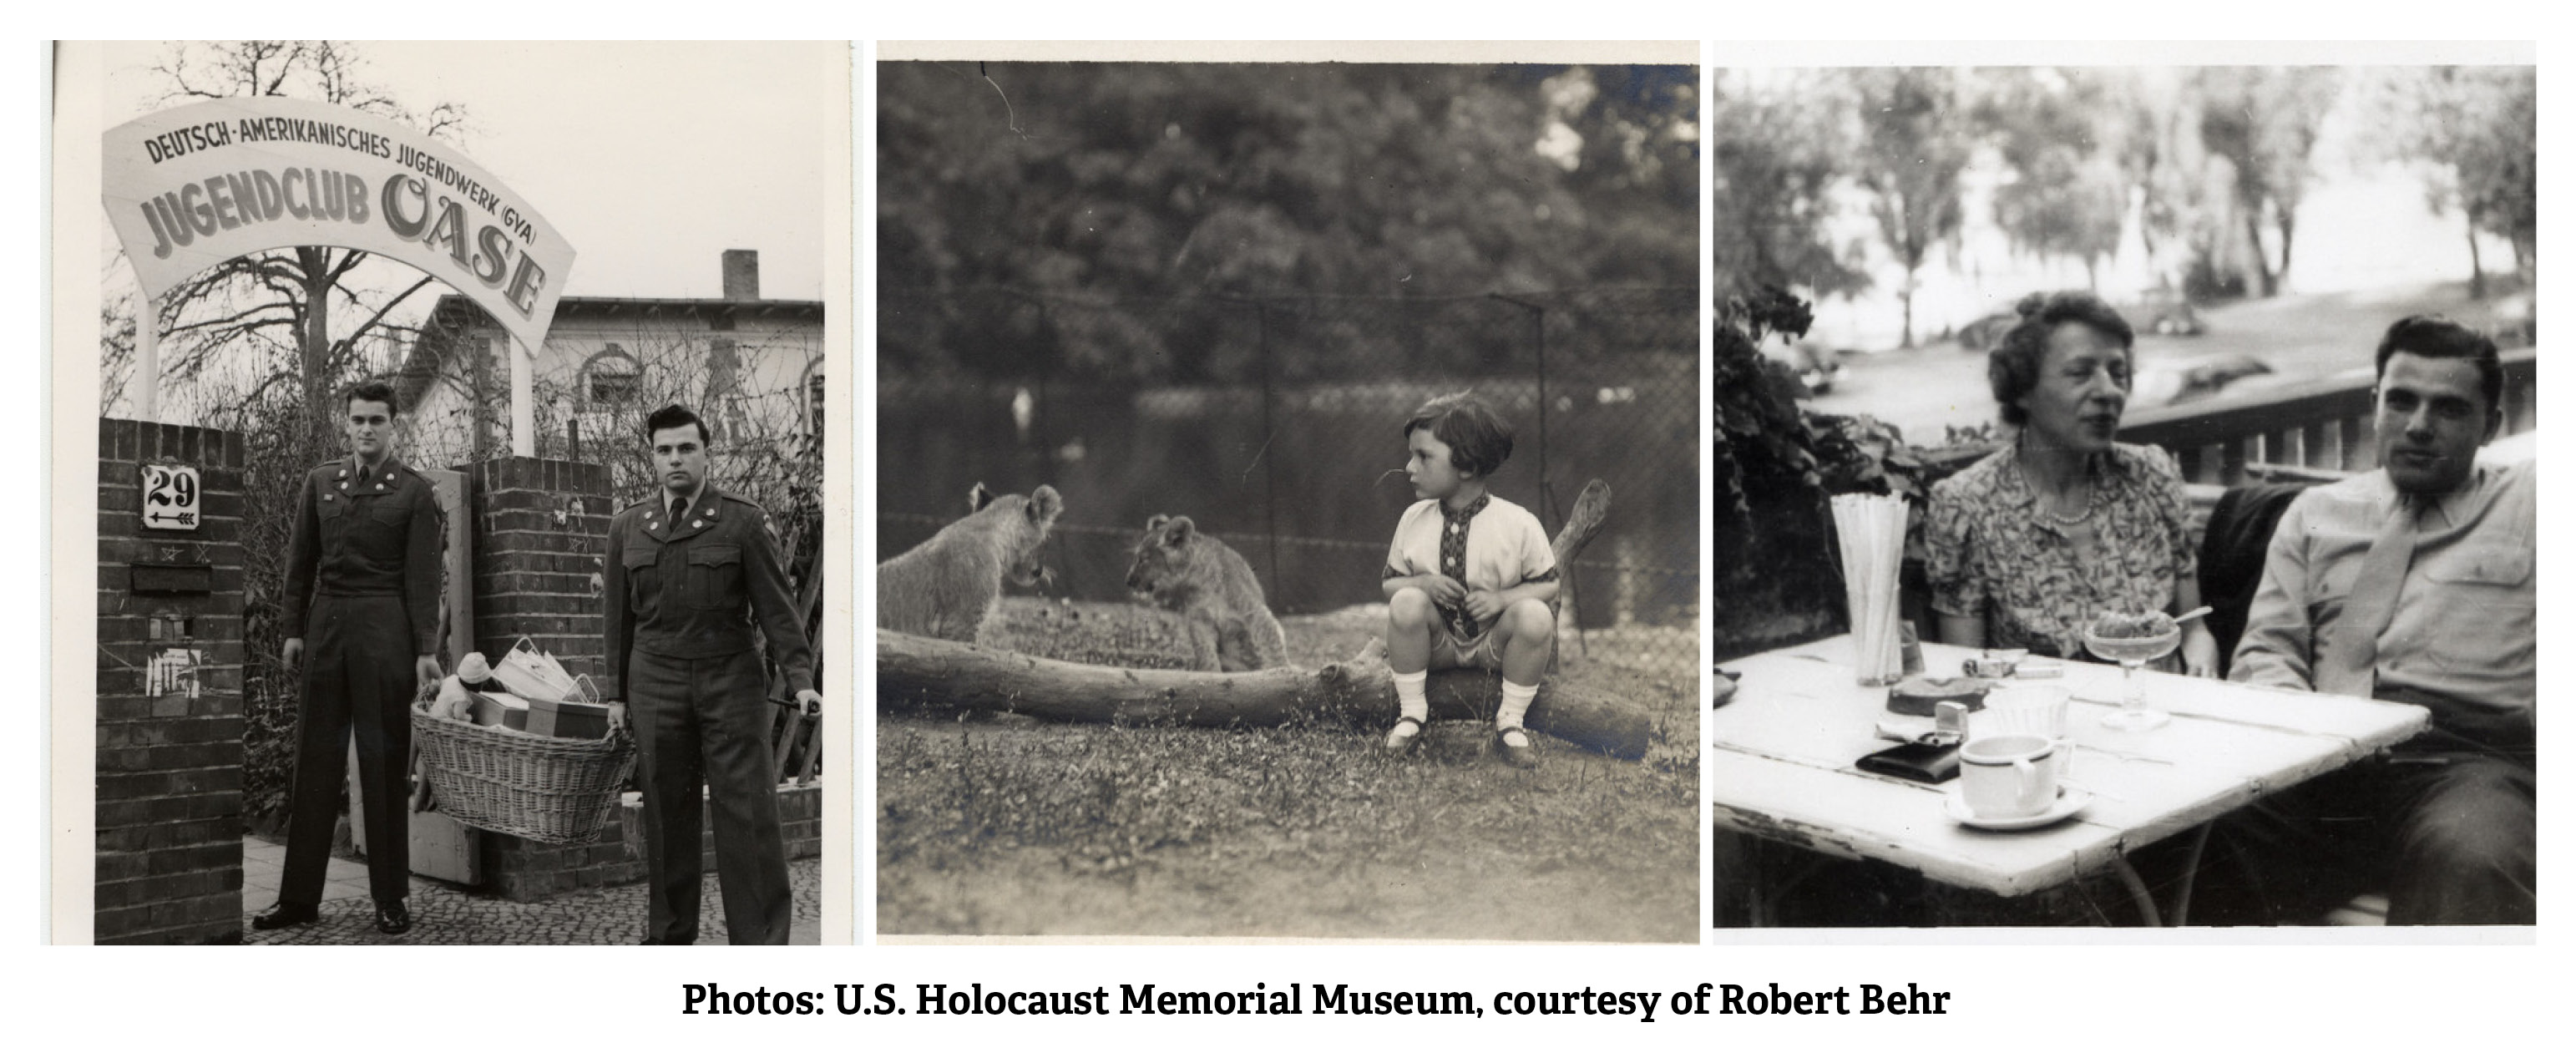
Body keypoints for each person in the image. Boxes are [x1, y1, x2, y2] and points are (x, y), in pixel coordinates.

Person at [2228, 315, 2533, 925]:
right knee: (2203, 833)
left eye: (2448, 409)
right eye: (2400, 401)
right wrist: (2302, 738)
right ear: (2374, 404)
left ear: (2490, 426)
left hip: (2466, 768)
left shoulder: (2533, 503)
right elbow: (2266, 650)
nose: (2418, 426)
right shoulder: (2315, 513)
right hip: (2319, 764)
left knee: (2472, 854)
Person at [604, 404, 823, 944]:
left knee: (746, 816)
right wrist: (615, 696)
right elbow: (617, 621)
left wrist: (801, 678)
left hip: (730, 682)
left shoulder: (742, 521)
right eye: (664, 450)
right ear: (651, 456)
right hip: (655, 684)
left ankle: (760, 946)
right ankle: (670, 941)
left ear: (707, 452)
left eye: (686, 448)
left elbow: (778, 609)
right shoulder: (628, 526)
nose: (675, 458)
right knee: (666, 817)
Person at [1923, 291, 2219, 675]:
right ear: (2022, 388)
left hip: (2157, 717)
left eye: (2118, 372)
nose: (2109, 391)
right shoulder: (1967, 504)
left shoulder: (2152, 475)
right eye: (2080, 373)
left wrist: (2200, 656)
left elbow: (2193, 626)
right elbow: (1967, 671)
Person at [256, 381, 444, 935]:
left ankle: (390, 898)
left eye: (377, 420)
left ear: (394, 426)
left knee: (383, 766)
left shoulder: (413, 492)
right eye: (358, 419)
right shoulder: (321, 483)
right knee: (314, 762)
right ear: (346, 424)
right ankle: (297, 899)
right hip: (327, 628)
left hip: (384, 633)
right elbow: (300, 564)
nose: (367, 429)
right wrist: (293, 630)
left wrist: (425, 650)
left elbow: (423, 578)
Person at [1378, 392, 1559, 767]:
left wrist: (1503, 599)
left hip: (1494, 648)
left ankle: (1510, 722)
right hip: (1437, 647)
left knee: (1536, 616)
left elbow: (1549, 584)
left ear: (1466, 465)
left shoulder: (1518, 523)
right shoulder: (1413, 519)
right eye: (1412, 454)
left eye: (1423, 456)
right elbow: (1391, 585)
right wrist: (1423, 585)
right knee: (1406, 602)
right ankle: (1412, 715)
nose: (1409, 467)